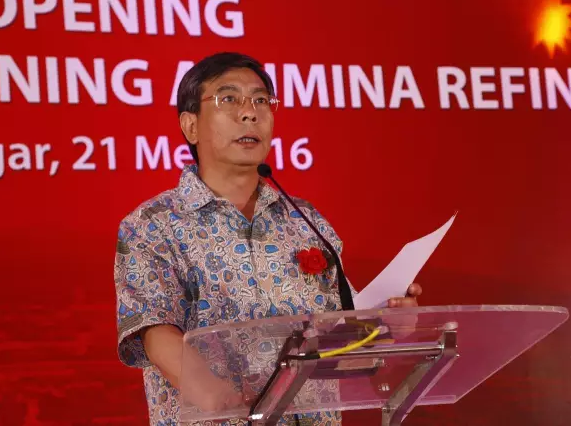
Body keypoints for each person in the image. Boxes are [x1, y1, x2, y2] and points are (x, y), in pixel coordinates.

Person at [113, 52, 422, 426]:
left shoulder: (307, 221)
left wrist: (387, 326)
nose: (250, 113)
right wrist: (219, 397)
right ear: (190, 125)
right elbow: (154, 330)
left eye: (261, 100)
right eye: (229, 99)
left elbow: (343, 341)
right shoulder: (153, 224)